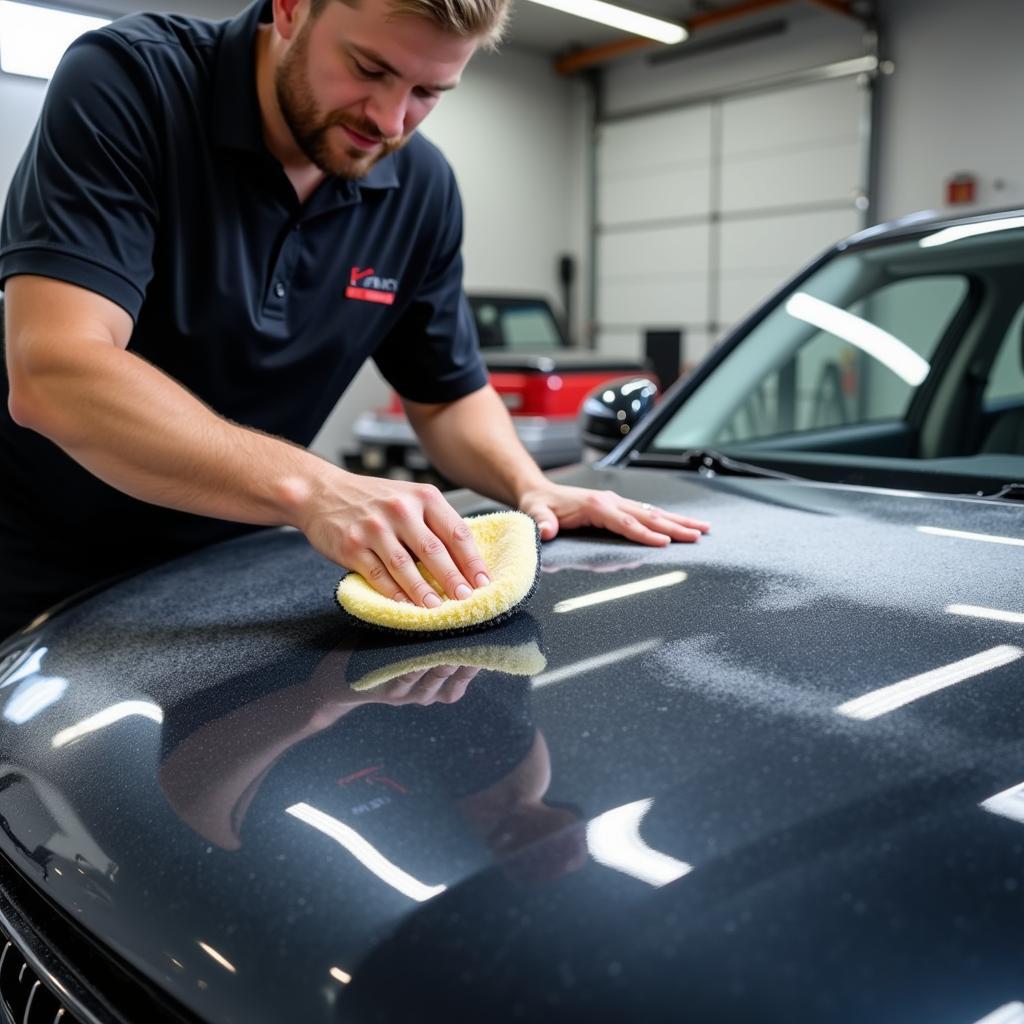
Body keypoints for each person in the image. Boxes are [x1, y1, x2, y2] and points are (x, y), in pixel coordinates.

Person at [0, 0, 710, 640]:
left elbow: (448, 395)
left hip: (225, 578)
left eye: (429, 92)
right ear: (289, 9)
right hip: (31, 568)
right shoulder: (132, 81)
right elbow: (56, 370)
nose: (390, 120)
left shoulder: (420, 189)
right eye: (369, 68)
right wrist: (316, 489)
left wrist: (534, 487)